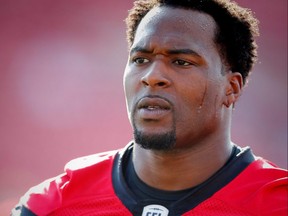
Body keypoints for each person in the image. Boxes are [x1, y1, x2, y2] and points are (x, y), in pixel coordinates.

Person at [12, 0, 287, 215]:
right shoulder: (50, 205)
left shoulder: (277, 204)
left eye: (181, 62)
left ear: (232, 88)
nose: (152, 76)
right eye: (141, 59)